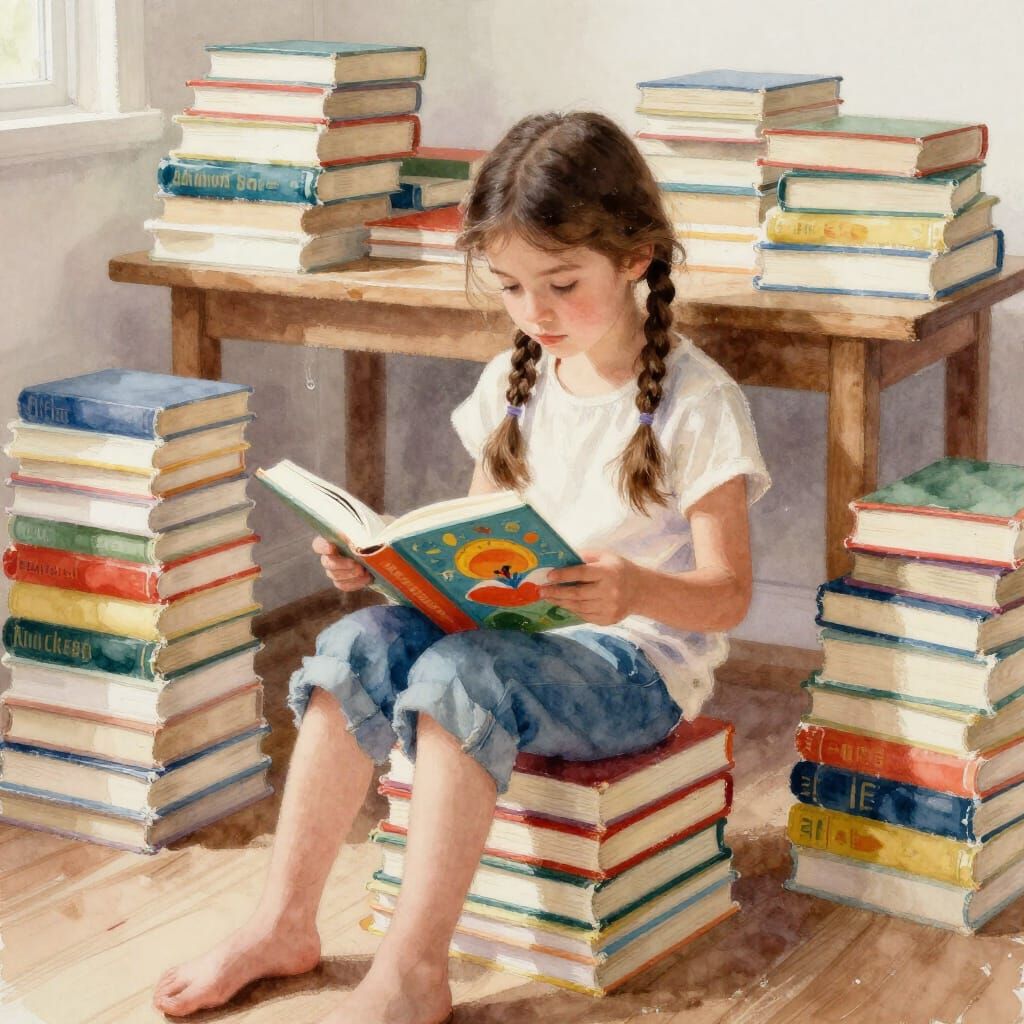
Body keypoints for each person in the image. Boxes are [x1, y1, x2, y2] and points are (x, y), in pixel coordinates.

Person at [153, 110, 769, 1023]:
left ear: (638, 258)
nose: (535, 314)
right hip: (519, 636)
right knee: (355, 643)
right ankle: (282, 921)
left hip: (633, 670)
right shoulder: (514, 380)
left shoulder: (697, 401)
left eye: (561, 284)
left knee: (459, 674)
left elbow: (730, 596)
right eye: (513, 288)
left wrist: (633, 589)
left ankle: (411, 970)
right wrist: (386, 560)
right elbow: (477, 535)